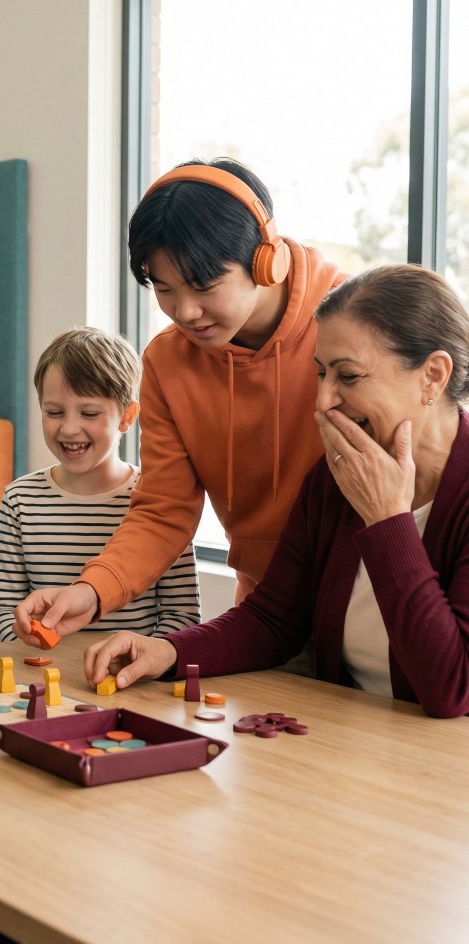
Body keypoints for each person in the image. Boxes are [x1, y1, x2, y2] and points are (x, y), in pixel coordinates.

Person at [84, 265, 469, 719]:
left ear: (433, 375)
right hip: (349, 743)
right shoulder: (334, 478)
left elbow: (451, 688)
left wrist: (388, 522)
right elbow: (274, 619)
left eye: (348, 377)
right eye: (321, 373)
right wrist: (167, 653)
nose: (323, 401)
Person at [14, 158, 344, 646]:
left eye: (204, 287)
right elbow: (163, 511)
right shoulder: (168, 362)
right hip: (266, 615)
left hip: (363, 598)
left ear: (265, 260)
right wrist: (92, 590)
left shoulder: (349, 327)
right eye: (165, 290)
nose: (185, 312)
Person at [0, 326, 199, 643]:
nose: (70, 428)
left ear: (127, 416)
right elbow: (2, 609)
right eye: (54, 412)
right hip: (44, 676)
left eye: (89, 413)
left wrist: (144, 654)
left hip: (131, 678)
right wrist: (22, 641)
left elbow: (183, 615)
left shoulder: (159, 499)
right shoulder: (20, 499)